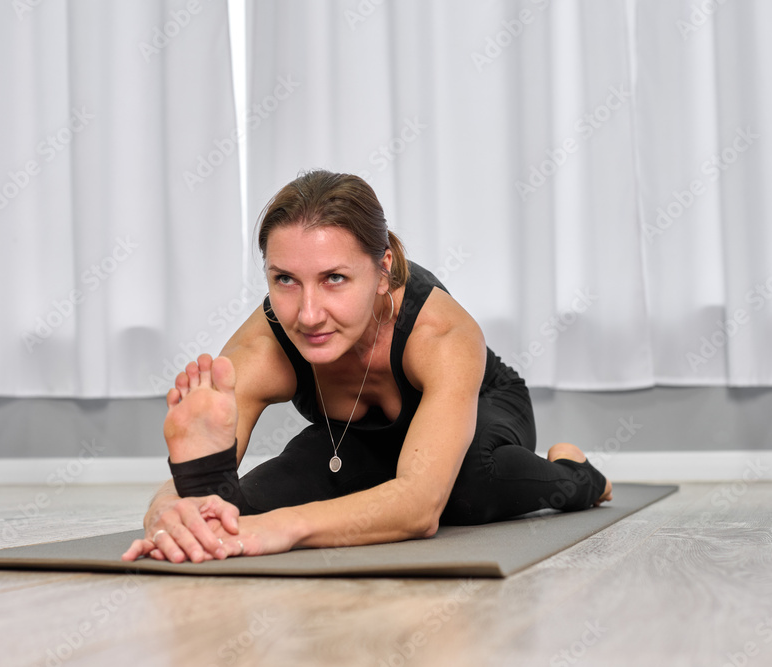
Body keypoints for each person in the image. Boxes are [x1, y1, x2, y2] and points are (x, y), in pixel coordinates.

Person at [122, 170, 612, 564]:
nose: (307, 314)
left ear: (382, 270)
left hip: (484, 410)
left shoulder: (442, 334)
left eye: (334, 278)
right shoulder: (263, 344)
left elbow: (420, 508)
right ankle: (217, 494)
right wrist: (167, 510)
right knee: (250, 501)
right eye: (285, 279)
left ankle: (576, 474)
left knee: (461, 491)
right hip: (354, 439)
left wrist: (285, 529)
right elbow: (198, 497)